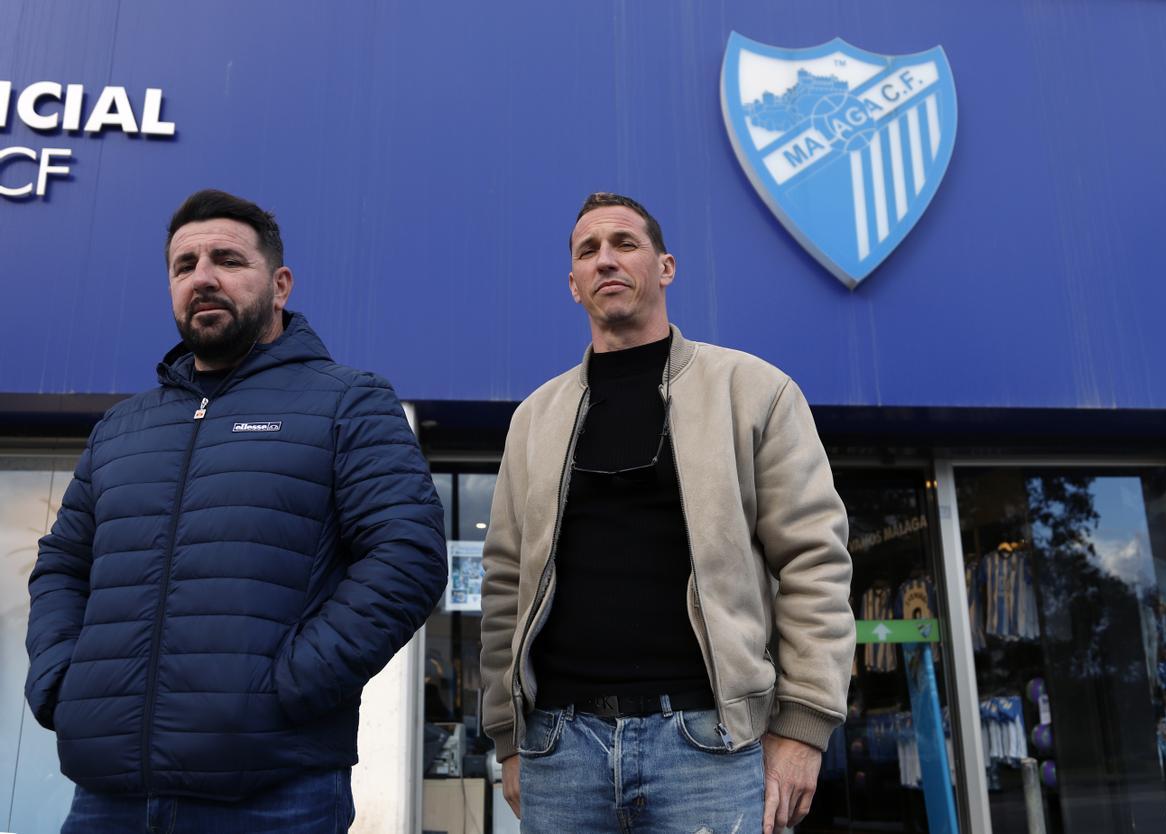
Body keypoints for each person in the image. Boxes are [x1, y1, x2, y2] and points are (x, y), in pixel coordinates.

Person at [24, 189, 447, 833]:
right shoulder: (120, 428)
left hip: (274, 792)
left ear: (279, 284)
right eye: (184, 265)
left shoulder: (348, 402)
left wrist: (290, 688)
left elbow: (407, 556)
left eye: (226, 258)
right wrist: (60, 679)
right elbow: (61, 563)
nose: (204, 277)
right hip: (108, 797)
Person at [480, 192, 855, 834]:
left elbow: (814, 561)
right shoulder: (533, 419)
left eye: (625, 243)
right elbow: (505, 584)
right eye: (588, 251)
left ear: (667, 266)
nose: (606, 260)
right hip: (559, 751)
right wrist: (509, 738)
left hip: (708, 745)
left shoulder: (753, 391)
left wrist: (804, 725)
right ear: (573, 285)